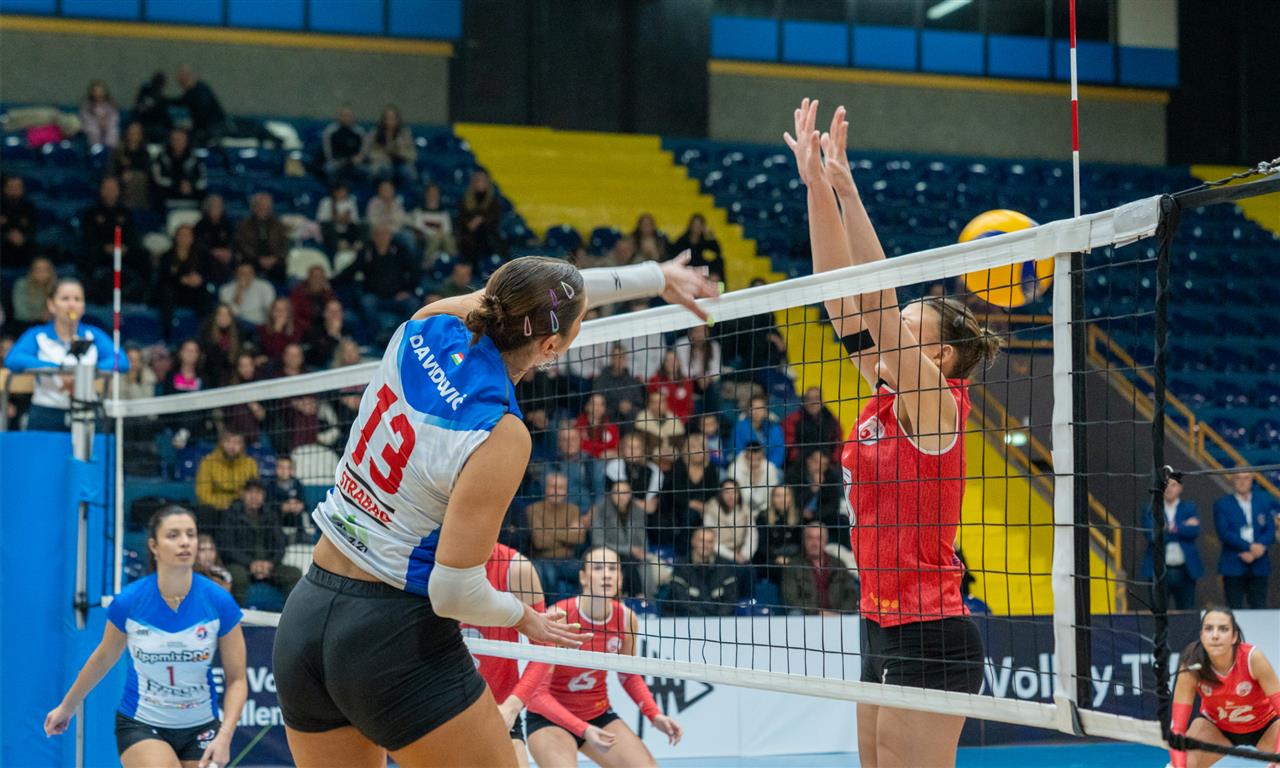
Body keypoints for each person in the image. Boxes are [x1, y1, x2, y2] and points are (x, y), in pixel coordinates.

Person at [270, 252, 715, 766]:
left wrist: (656, 277)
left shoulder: (427, 322)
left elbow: (546, 294)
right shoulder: (501, 432)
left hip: (306, 617)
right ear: (551, 347)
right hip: (392, 638)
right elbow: (453, 592)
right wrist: (525, 618)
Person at [787, 99, 1000, 764]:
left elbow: (876, 304)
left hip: (931, 632)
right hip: (879, 621)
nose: (891, 333)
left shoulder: (935, 406)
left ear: (938, 356)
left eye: (908, 329)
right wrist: (817, 186)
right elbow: (840, 298)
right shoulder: (884, 397)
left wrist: (850, 190)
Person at [44, 506, 247, 768]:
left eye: (191, 534)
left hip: (202, 727)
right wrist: (66, 707)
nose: (185, 542)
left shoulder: (219, 602)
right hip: (142, 724)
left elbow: (237, 679)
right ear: (154, 545)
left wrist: (225, 736)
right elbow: (103, 658)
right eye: (173, 535)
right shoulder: (129, 602)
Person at [523, 547, 682, 767]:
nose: (606, 574)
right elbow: (537, 695)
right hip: (549, 719)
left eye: (612, 568)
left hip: (597, 714)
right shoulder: (559, 617)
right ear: (583, 577)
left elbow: (628, 675)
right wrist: (583, 729)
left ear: (620, 578)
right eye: (598, 568)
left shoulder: (626, 619)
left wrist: (654, 715)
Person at [460, 543, 557, 768]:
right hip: (442, 711)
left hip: (498, 709)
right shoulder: (429, 560)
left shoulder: (516, 568)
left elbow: (544, 647)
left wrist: (512, 707)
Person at [3, 278, 127, 431]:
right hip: (46, 412)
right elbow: (13, 360)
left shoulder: (93, 334)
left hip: (87, 410)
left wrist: (87, 373)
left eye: (77, 299)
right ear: (51, 305)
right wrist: (58, 371)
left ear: (83, 306)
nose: (71, 304)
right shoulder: (38, 335)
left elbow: (121, 361)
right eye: (65, 298)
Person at [1168, 607, 1280, 768]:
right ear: (1201, 635)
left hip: (1265, 726)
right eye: (1208, 629)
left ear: (1234, 637)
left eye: (1223, 629)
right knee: (1180, 764)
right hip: (1217, 727)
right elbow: (1177, 729)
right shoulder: (1191, 666)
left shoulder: (1253, 659)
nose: (1215, 635)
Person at [221, 478, 303, 604]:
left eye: (258, 492)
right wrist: (250, 563)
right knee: (238, 576)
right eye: (250, 492)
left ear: (264, 496)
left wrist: (270, 563)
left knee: (294, 573)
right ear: (243, 494)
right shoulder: (231, 514)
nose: (254, 496)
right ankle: (238, 613)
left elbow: (280, 545)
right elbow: (227, 547)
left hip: (269, 565)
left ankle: (290, 614)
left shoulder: (271, 514)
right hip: (242, 565)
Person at [1213, 473, 1276, 610]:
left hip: (1259, 563)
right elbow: (1224, 533)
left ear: (1252, 480)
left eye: (1246, 478)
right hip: (1233, 563)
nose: (1242, 482)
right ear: (1232, 480)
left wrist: (1258, 549)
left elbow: (1270, 530)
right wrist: (1249, 547)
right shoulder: (1222, 504)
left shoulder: (1263, 501)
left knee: (1259, 607)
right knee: (1234, 608)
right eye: (1238, 478)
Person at [1141, 473, 1203, 610]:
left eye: (1173, 485)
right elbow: (1152, 536)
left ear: (1180, 488)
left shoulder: (1189, 507)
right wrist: (1181, 527)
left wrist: (1167, 528)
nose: (1169, 489)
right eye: (1165, 485)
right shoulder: (1150, 508)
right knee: (1158, 612)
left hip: (1185, 571)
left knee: (1186, 612)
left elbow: (1194, 531)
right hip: (1158, 571)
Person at [527, 471, 590, 605]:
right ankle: (552, 612)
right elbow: (539, 542)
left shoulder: (573, 509)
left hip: (569, 559)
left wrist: (548, 531)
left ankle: (579, 609)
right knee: (549, 576)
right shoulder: (533, 509)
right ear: (546, 489)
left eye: (561, 488)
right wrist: (567, 532)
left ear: (566, 491)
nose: (557, 491)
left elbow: (579, 538)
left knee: (588, 573)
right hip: (543, 560)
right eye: (553, 487)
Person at [781, 522, 858, 615]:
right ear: (804, 541)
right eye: (810, 538)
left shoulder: (838, 564)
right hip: (807, 616)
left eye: (819, 538)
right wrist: (818, 612)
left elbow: (851, 594)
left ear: (826, 541)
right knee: (795, 614)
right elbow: (791, 599)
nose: (814, 543)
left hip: (838, 616)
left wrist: (839, 613)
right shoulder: (793, 566)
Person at [666, 527, 742, 616]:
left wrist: (715, 619)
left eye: (710, 542)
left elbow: (731, 599)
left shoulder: (726, 566)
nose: (705, 545)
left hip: (719, 620)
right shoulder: (681, 566)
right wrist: (703, 618)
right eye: (702, 541)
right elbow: (680, 599)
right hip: (687, 619)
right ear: (693, 541)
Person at [194, 430, 259, 511]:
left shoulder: (251, 463)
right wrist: (227, 504)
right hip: (214, 510)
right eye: (228, 441)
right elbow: (202, 495)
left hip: (241, 509)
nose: (232, 446)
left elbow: (254, 492)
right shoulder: (207, 462)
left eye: (236, 442)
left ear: (243, 445)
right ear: (221, 443)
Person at [235, 193, 289, 285]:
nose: (264, 209)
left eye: (267, 207)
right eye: (261, 206)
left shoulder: (278, 224)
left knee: (280, 268)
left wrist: (275, 258)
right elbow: (243, 245)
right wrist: (259, 259)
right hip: (253, 259)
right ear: (254, 207)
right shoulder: (244, 225)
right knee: (246, 266)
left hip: (274, 259)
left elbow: (284, 244)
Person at [782, 386, 843, 468]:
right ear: (804, 401)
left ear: (822, 401)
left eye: (816, 398)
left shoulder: (832, 420)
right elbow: (790, 447)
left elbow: (838, 445)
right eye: (809, 399)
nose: (812, 402)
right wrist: (809, 460)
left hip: (828, 464)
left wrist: (829, 460)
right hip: (800, 464)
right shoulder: (792, 420)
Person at [701, 479, 758, 565]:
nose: (731, 496)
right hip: (719, 554)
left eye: (734, 492)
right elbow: (711, 542)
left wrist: (745, 555)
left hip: (741, 554)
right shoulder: (711, 510)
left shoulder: (745, 511)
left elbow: (752, 536)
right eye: (727, 492)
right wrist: (733, 556)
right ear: (720, 494)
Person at [359, 105, 416, 184]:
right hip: (381, 163)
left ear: (397, 119)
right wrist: (383, 156)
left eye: (393, 118)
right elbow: (367, 151)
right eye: (388, 118)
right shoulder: (375, 133)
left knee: (406, 171)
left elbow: (412, 154)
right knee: (385, 169)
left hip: (400, 162)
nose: (390, 121)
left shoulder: (405, 134)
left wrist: (399, 152)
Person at [456, 168, 503, 265]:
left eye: (483, 180)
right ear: (473, 183)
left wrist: (480, 220)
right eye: (478, 180)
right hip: (469, 240)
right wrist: (473, 223)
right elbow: (463, 223)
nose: (480, 183)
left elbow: (494, 222)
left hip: (488, 239)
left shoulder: (494, 202)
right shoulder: (464, 201)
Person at [151, 128, 206, 208]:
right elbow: (158, 179)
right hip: (168, 193)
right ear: (170, 141)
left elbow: (202, 180)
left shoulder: (195, 158)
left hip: (191, 193)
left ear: (186, 141)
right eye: (174, 139)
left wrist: (191, 184)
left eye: (181, 140)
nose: (177, 142)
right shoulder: (161, 157)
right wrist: (177, 185)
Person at [175, 65, 229, 145]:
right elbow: (179, 102)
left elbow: (203, 109)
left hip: (214, 126)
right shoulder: (188, 94)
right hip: (205, 127)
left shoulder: (201, 90)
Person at [730, 394, 785, 468]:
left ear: (766, 410)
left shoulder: (775, 429)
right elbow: (737, 452)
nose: (757, 411)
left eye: (760, 408)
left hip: (769, 467)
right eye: (753, 408)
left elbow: (779, 453)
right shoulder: (739, 427)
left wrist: (765, 467)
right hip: (745, 466)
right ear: (749, 410)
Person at [194, 194, 237, 285]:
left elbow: (234, 240)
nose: (217, 209)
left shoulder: (228, 224)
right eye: (214, 207)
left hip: (227, 256)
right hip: (208, 257)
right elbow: (199, 244)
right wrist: (214, 252)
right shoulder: (200, 225)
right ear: (208, 208)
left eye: (219, 207)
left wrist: (228, 251)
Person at [110, 121, 153, 210]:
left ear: (141, 135)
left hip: (139, 186)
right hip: (120, 184)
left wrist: (133, 175)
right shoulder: (118, 152)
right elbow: (111, 171)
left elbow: (148, 173)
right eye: (131, 132)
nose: (134, 135)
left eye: (137, 133)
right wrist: (121, 177)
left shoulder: (144, 153)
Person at [220, 261, 277, 328]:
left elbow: (270, 309)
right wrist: (239, 292)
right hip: (235, 326)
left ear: (254, 274)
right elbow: (230, 314)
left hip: (259, 325)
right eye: (242, 273)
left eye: (249, 272)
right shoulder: (225, 290)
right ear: (235, 274)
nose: (245, 275)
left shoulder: (265, 286)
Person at [671, 213, 724, 283]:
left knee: (718, 268)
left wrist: (710, 235)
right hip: (687, 273)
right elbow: (675, 258)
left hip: (704, 274)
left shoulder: (707, 241)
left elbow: (717, 254)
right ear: (690, 226)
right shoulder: (682, 241)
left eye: (700, 225)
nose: (697, 228)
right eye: (695, 225)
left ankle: (720, 289)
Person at [321, 105, 366, 184]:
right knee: (329, 169)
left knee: (367, 171)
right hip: (336, 162)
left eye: (349, 116)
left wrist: (359, 158)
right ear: (339, 117)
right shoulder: (330, 131)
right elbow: (328, 153)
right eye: (344, 115)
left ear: (353, 117)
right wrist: (339, 161)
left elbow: (363, 150)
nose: (346, 118)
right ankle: (335, 190)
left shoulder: (360, 132)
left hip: (354, 163)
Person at [1, 174, 38, 267]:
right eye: (11, 187)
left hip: (24, 247)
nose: (15, 190)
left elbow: (34, 229)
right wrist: (7, 236)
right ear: (4, 188)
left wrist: (24, 237)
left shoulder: (30, 207)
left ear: (23, 189)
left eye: (18, 187)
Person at [11, 256, 56, 327]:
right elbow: (20, 313)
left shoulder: (58, 286)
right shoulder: (22, 285)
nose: (42, 273)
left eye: (46, 269)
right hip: (26, 325)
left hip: (54, 325)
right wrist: (40, 316)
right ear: (31, 271)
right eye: (38, 269)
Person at [80, 78, 120, 148]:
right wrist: (97, 123)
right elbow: (85, 120)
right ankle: (96, 149)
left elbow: (115, 118)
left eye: (100, 91)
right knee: (93, 130)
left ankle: (110, 149)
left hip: (108, 128)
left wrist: (106, 123)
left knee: (113, 131)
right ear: (92, 93)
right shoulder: (86, 106)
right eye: (96, 91)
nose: (98, 94)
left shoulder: (111, 105)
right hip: (92, 128)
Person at [132, 71, 171, 143]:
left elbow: (164, 115)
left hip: (155, 124)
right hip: (144, 123)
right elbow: (138, 110)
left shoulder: (162, 99)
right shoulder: (145, 93)